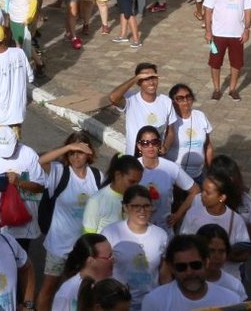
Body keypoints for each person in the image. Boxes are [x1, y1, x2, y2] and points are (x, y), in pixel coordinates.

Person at [38, 133, 104, 276]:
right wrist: (68, 146)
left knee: (79, 290)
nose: (75, 157)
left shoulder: (97, 176)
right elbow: (41, 161)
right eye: (71, 153)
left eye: (79, 152)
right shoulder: (59, 171)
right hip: (59, 246)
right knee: (49, 289)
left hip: (84, 248)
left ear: (88, 153)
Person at [100, 186, 167, 308]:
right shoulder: (110, 232)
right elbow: (101, 270)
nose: (142, 211)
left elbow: (164, 272)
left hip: (152, 303)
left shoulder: (161, 235)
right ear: (125, 207)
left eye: (146, 206)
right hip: (119, 305)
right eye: (136, 206)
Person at [140, 234, 238, 311]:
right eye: (181, 267)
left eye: (195, 265)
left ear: (206, 262)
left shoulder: (230, 301)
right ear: (172, 268)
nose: (189, 272)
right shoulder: (154, 301)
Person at [43, 233, 113, 311]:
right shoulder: (67, 294)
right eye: (109, 257)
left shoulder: (113, 284)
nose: (114, 260)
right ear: (91, 261)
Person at [0, 25, 32, 132]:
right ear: (4, 36)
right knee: (14, 147)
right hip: (18, 116)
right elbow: (30, 77)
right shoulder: (19, 52)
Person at [161, 85, 212, 183]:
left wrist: (210, 170)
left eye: (188, 97)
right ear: (172, 101)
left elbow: (208, 146)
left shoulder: (200, 116)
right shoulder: (170, 121)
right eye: (180, 98)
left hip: (198, 175)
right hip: (175, 176)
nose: (186, 101)